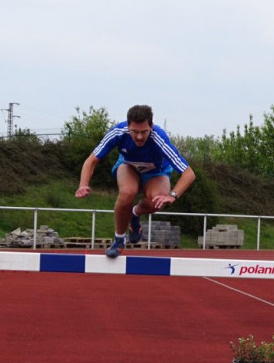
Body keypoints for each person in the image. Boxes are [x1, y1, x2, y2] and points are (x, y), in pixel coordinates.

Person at [75, 104, 196, 258]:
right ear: (128, 126)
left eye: (144, 132)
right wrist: (83, 184)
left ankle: (135, 213)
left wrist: (172, 195)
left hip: (156, 172)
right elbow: (91, 160)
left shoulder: (159, 138)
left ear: (151, 127)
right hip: (128, 166)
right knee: (127, 192)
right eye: (134, 132)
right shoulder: (118, 132)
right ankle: (119, 240)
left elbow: (189, 173)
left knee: (157, 201)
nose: (139, 137)